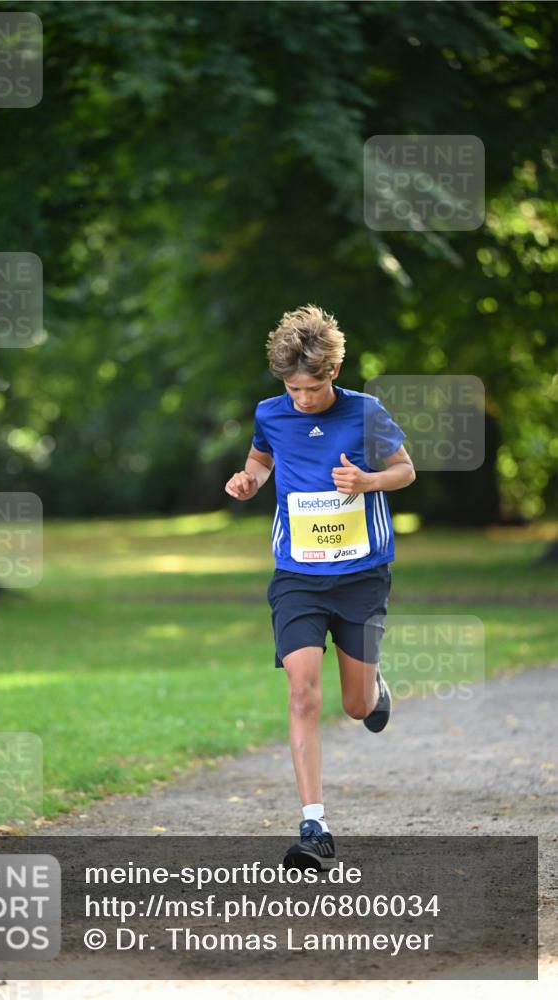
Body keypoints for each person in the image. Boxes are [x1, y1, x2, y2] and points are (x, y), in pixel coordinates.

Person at [224, 304, 416, 870]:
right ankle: (314, 824)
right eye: (291, 387)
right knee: (302, 690)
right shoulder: (270, 413)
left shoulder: (366, 412)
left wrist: (368, 480)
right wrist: (247, 481)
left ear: (332, 371)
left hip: (360, 575)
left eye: (310, 387)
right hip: (298, 577)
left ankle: (373, 687)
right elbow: (260, 462)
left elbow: (405, 470)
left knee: (355, 707)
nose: (300, 399)